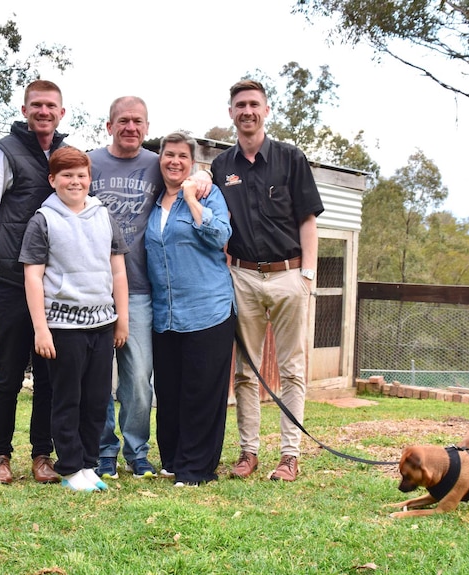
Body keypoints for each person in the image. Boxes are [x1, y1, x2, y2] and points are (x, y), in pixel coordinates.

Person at [211, 79, 324, 482]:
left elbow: (307, 219)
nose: (247, 111)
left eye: (254, 104)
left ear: (266, 110)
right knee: (245, 370)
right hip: (241, 275)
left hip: (289, 274)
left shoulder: (291, 159)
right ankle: (248, 452)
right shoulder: (222, 166)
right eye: (239, 105)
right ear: (231, 112)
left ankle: (289, 456)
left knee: (293, 369)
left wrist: (307, 275)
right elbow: (216, 224)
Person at [0, 79, 67, 485]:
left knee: (48, 376)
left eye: (51, 106)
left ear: (62, 113)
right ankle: (0, 456)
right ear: (25, 110)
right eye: (37, 106)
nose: (44, 112)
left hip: (56, 287)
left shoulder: (64, 156)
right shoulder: (2, 153)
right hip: (12, 286)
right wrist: (11, 261)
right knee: (9, 373)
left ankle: (43, 455)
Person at [20, 147, 129, 492]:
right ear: (52, 180)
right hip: (63, 327)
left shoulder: (104, 215)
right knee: (68, 398)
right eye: (66, 175)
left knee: (98, 399)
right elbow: (33, 276)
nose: (75, 181)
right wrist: (41, 328)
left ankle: (88, 464)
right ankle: (69, 467)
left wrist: (121, 318)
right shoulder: (43, 220)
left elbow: (118, 270)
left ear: (89, 178)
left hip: (102, 324)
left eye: (81, 174)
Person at [145, 132, 236, 486]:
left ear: (193, 162)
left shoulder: (206, 192)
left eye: (182, 156)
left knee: (201, 392)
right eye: (169, 155)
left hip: (208, 310)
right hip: (166, 314)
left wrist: (191, 199)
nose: (174, 161)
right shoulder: (152, 202)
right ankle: (173, 459)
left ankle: (197, 468)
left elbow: (220, 236)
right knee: (168, 391)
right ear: (161, 158)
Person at [87, 96, 161, 479]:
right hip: (94, 290)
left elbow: (189, 180)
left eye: (138, 121)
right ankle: (103, 452)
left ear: (147, 127)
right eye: (123, 121)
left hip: (140, 289)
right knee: (98, 377)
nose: (130, 127)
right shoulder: (89, 162)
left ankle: (137, 452)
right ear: (109, 125)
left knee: (138, 378)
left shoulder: (156, 164)